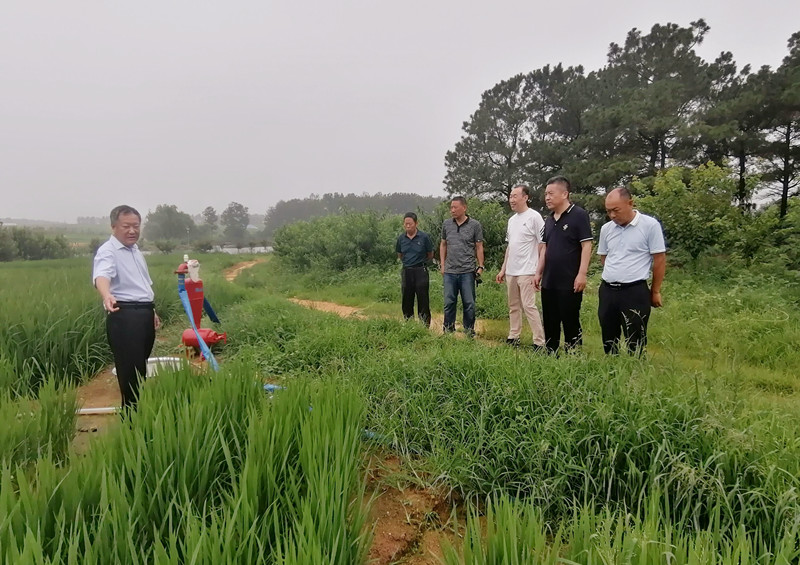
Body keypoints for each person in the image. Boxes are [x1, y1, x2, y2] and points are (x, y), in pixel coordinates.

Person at [92, 205, 160, 410]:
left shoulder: (135, 251)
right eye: (126, 226)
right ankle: (131, 419)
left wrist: (151, 311)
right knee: (130, 373)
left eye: (136, 226)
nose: (132, 231)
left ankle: (138, 414)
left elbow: (142, 285)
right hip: (125, 316)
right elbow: (101, 275)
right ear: (113, 227)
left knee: (139, 369)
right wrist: (106, 295)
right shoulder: (108, 251)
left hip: (143, 314)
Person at [597, 187, 666, 355]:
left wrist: (655, 291)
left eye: (616, 210)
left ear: (630, 203)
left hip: (634, 291)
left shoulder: (650, 225)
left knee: (635, 339)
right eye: (608, 211)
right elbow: (604, 257)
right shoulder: (606, 229)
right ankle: (611, 366)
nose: (612, 215)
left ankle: (635, 368)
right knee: (608, 336)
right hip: (608, 290)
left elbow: (659, 259)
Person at [533, 176, 593, 354]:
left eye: (551, 193)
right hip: (549, 280)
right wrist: (538, 272)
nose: (547, 197)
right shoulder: (549, 220)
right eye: (546, 194)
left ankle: (573, 355)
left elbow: (586, 245)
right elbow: (545, 248)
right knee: (550, 320)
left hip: (569, 280)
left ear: (565, 194)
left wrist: (582, 274)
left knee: (570, 320)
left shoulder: (579, 215)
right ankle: (550, 353)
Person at [495, 184, 546, 350]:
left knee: (529, 306)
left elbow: (542, 244)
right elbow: (510, 247)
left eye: (515, 196)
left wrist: (539, 270)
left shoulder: (535, 217)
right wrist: (503, 269)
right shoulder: (512, 220)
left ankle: (539, 341)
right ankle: (514, 336)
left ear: (525, 197)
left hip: (528, 270)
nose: (511, 200)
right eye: (510, 196)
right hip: (512, 271)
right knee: (513, 306)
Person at [440, 196, 484, 336]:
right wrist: (442, 264)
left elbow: (479, 246)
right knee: (449, 302)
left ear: (464, 208)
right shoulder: (446, 224)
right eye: (451, 207)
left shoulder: (475, 225)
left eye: (455, 207)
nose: (452, 210)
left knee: (469, 303)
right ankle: (448, 330)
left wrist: (480, 266)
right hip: (450, 271)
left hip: (467, 271)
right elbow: (443, 244)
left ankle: (469, 331)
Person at [396, 212, 434, 327]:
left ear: (416, 223)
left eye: (410, 224)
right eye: (406, 224)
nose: (408, 226)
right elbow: (400, 254)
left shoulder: (424, 237)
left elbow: (430, 254)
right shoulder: (401, 238)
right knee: (407, 299)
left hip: (420, 270)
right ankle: (409, 324)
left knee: (423, 299)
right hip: (407, 271)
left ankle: (424, 325)